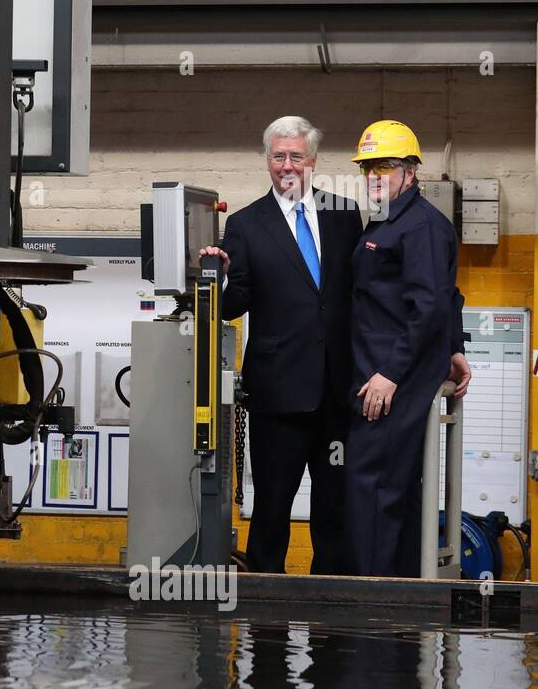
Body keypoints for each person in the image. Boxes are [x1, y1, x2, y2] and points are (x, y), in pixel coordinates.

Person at [200, 117, 363, 574]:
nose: (287, 165)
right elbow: (234, 305)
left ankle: (331, 606)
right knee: (271, 506)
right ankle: (265, 618)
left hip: (335, 393)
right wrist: (219, 274)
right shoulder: (246, 224)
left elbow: (354, 293)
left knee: (334, 507)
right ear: (267, 161)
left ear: (312, 161)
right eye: (278, 156)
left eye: (296, 156)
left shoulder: (344, 213)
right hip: (277, 395)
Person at [345, 120, 470, 577]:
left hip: (391, 381)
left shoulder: (420, 227)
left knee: (374, 487)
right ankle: (395, 602)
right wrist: (454, 347)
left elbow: (431, 303)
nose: (374, 175)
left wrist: (392, 373)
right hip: (376, 373)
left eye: (385, 166)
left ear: (411, 171)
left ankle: (377, 602)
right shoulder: (385, 219)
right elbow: (445, 297)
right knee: (387, 487)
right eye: (368, 167)